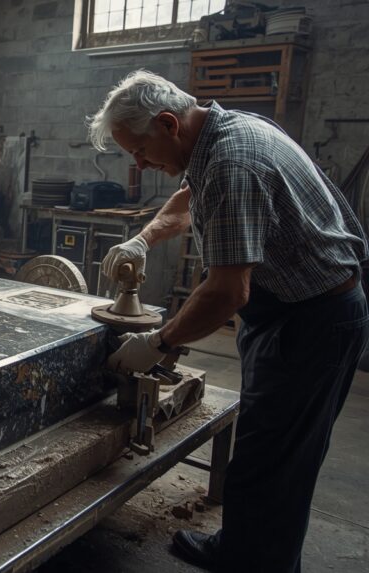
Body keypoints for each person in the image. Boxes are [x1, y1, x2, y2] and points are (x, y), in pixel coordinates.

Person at [90, 69, 369, 572]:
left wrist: (159, 342)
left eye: (140, 150)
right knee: (267, 451)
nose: (140, 163)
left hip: (312, 323)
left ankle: (258, 565)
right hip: (293, 311)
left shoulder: (232, 161)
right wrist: (143, 239)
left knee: (277, 462)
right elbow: (187, 198)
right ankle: (240, 549)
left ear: (169, 124)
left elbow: (225, 292)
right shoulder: (223, 131)